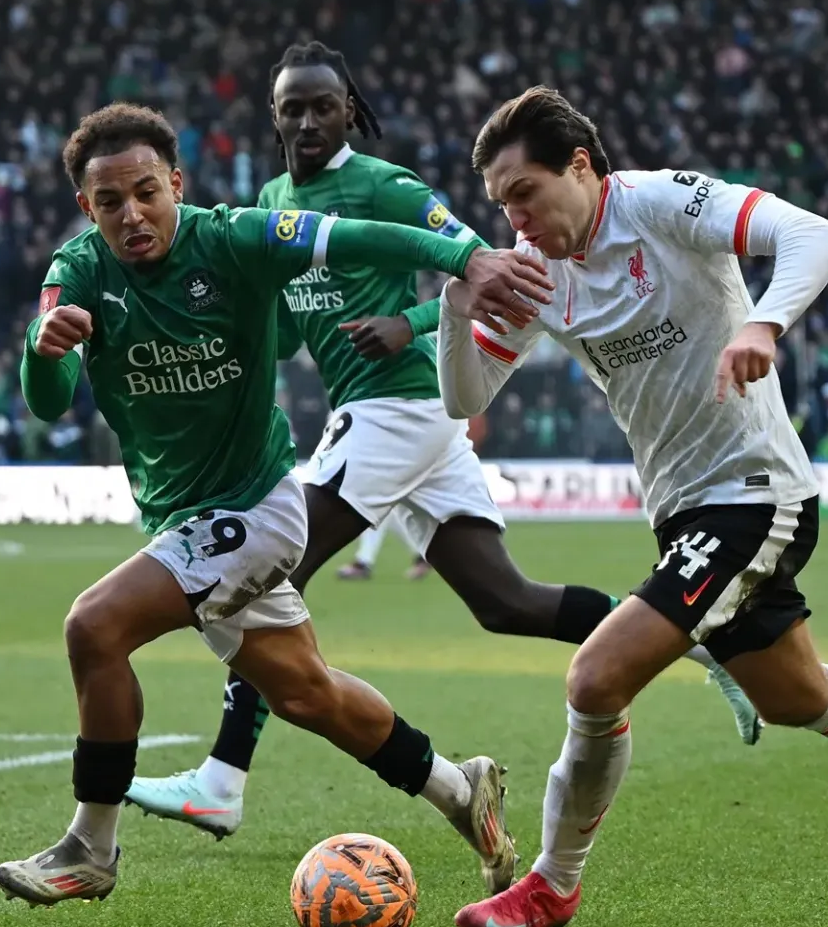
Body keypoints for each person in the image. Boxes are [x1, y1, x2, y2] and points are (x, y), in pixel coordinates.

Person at [125, 44, 760, 841]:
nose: (308, 120)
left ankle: (221, 779)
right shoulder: (273, 199)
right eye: (293, 107)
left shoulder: (384, 185)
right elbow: (286, 325)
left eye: (324, 105)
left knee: (270, 564)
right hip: (387, 417)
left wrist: (412, 322)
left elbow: (484, 270)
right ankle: (701, 639)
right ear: (275, 114)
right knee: (504, 600)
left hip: (405, 403)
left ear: (350, 109)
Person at [438, 88, 828, 927]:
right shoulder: (535, 275)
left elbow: (813, 235)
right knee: (797, 695)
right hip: (684, 511)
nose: (515, 220)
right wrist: (459, 310)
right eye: (500, 205)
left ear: (580, 166)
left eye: (524, 192)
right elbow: (464, 395)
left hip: (756, 494)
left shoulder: (657, 202)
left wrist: (764, 322)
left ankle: (550, 885)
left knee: (595, 678)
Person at [0, 101, 554, 907]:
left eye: (147, 191)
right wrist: (41, 353)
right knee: (306, 694)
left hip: (255, 511)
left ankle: (91, 845)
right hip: (188, 523)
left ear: (176, 183)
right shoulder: (77, 270)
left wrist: (467, 258)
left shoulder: (235, 239)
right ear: (87, 207)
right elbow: (46, 399)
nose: (132, 214)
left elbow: (364, 237)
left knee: (94, 626)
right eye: (110, 202)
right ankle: (460, 791)